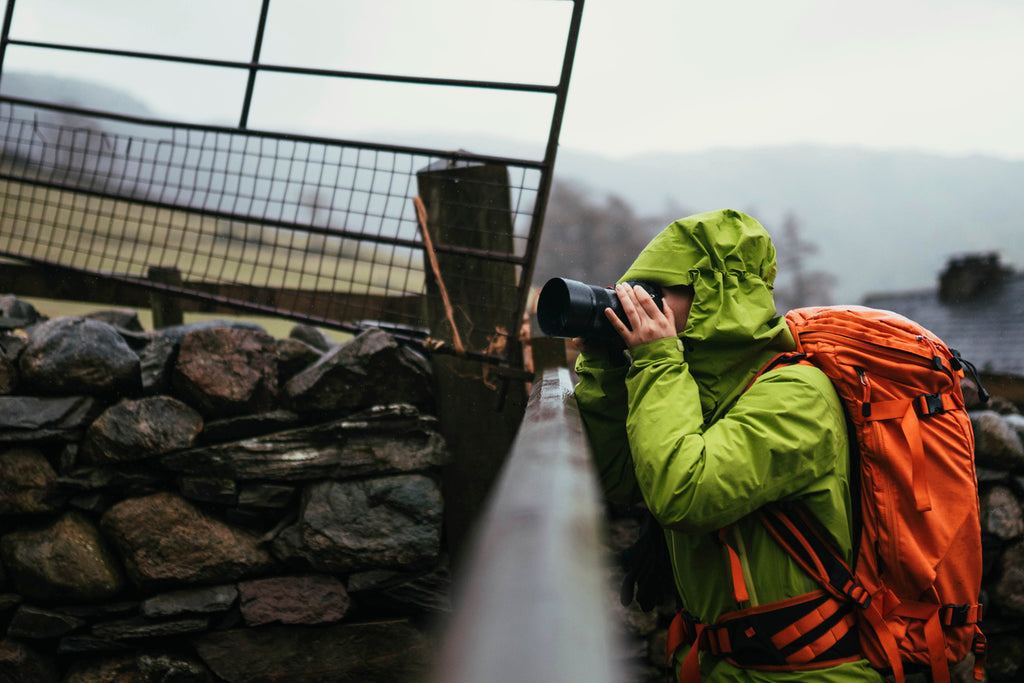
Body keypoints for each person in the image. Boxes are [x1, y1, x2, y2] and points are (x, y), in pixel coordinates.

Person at [571, 209, 884, 682]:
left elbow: (685, 495)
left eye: (657, 293)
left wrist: (656, 360)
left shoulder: (798, 395)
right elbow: (619, 479)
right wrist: (608, 366)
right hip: (717, 665)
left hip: (806, 671)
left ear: (718, 296)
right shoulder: (690, 388)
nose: (640, 305)